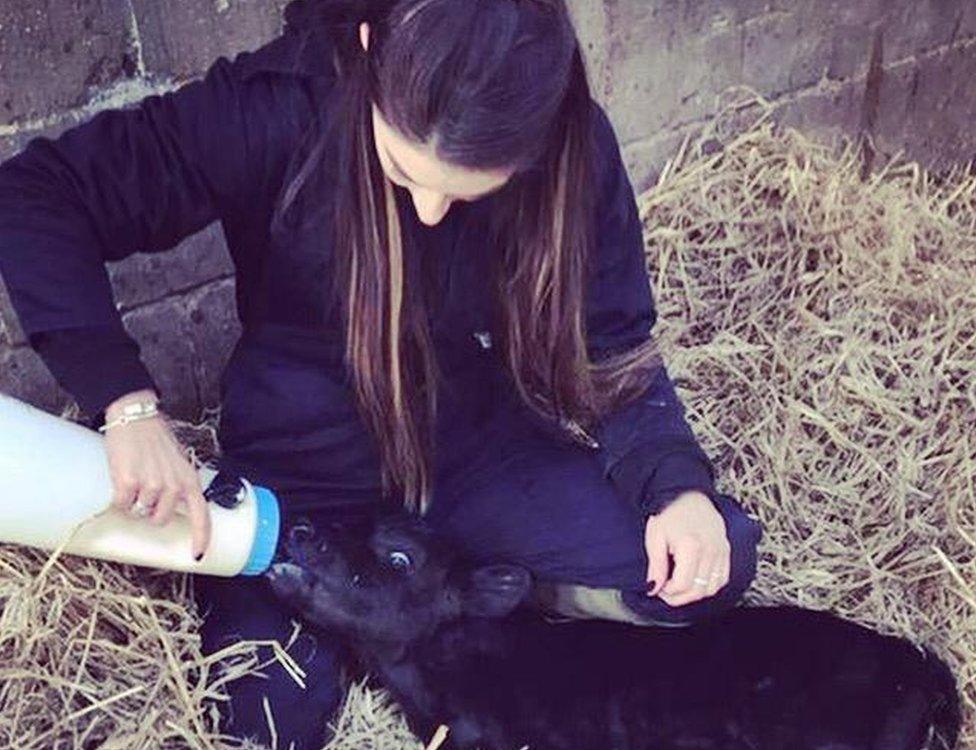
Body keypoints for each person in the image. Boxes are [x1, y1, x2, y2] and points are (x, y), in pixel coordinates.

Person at [0, 0, 763, 746]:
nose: (429, 211)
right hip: (302, 480)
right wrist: (124, 404)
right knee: (270, 721)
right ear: (370, 45)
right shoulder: (278, 105)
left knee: (710, 563)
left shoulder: (571, 147)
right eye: (405, 168)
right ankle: (415, 608)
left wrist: (674, 482)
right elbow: (37, 192)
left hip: (476, 458)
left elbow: (613, 337)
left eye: (469, 190)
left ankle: (471, 598)